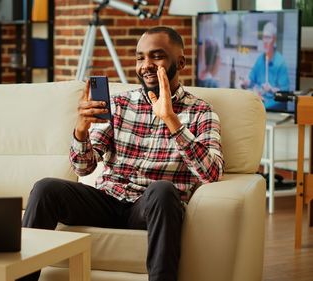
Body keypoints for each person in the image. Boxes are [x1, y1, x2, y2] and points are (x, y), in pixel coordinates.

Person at [19, 26, 224, 281]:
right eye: (140, 57)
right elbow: (83, 168)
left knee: (162, 189)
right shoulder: (119, 104)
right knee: (45, 188)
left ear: (180, 61)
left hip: (150, 207)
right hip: (108, 201)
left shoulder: (201, 112)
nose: (146, 65)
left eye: (156, 56)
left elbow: (212, 174)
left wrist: (171, 120)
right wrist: (81, 130)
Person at [242, 21, 290, 111]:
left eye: (268, 37)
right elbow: (251, 80)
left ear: (274, 39)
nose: (265, 41)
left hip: (272, 106)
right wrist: (246, 82)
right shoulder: (260, 59)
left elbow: (285, 95)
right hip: (259, 103)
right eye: (263, 37)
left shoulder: (281, 63)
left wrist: (271, 89)